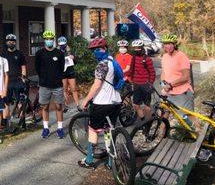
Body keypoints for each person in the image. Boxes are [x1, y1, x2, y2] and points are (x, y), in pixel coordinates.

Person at [79, 37, 122, 169]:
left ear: (104, 49)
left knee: (93, 130)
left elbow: (96, 85)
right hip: (116, 102)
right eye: (93, 50)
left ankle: (89, 159)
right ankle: (110, 161)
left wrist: (85, 101)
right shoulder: (113, 62)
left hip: (102, 103)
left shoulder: (102, 64)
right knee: (109, 130)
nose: (95, 52)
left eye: (97, 49)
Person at [35, 31, 65, 139]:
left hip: (57, 85)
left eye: (51, 39)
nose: (49, 41)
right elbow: (37, 68)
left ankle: (60, 128)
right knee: (45, 107)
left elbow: (62, 68)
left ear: (53, 39)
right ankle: (46, 128)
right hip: (44, 85)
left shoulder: (59, 53)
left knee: (58, 106)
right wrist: (43, 77)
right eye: (47, 39)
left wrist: (56, 77)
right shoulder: (39, 53)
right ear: (44, 40)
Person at [160, 34, 194, 112]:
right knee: (162, 117)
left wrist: (170, 85)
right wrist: (163, 85)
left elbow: (185, 77)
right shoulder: (164, 56)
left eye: (169, 43)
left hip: (182, 93)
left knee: (188, 119)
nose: (167, 46)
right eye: (165, 44)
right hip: (167, 92)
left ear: (175, 45)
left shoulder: (181, 56)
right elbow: (164, 72)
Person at [1, 34, 27, 128]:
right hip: (7, 81)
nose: (11, 42)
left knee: (20, 102)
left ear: (15, 42)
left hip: (18, 80)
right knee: (6, 102)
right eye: (9, 41)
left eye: (12, 41)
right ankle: (5, 121)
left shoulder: (19, 54)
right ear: (6, 42)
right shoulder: (3, 54)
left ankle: (22, 120)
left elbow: (23, 66)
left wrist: (23, 78)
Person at [128, 39, 155, 122]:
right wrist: (128, 77)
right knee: (136, 105)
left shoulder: (147, 59)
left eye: (138, 48)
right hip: (136, 84)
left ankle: (148, 123)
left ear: (142, 47)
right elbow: (131, 70)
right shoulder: (134, 58)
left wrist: (150, 84)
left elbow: (152, 73)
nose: (136, 50)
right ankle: (143, 121)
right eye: (135, 48)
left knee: (147, 106)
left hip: (145, 84)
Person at [57, 36, 80, 113]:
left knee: (73, 89)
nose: (62, 46)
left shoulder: (70, 50)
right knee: (65, 90)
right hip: (62, 72)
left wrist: (73, 58)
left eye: (63, 44)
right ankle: (66, 106)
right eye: (61, 45)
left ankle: (78, 105)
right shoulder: (57, 51)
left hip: (70, 72)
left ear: (66, 44)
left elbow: (76, 61)